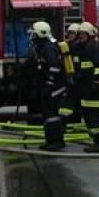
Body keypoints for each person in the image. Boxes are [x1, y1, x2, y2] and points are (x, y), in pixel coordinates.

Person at [27, 21, 67, 151]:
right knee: (48, 116)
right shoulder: (41, 47)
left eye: (33, 33)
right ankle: (51, 140)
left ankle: (56, 141)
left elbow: (54, 67)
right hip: (48, 87)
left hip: (54, 89)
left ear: (39, 33)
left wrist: (49, 84)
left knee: (51, 116)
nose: (31, 35)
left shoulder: (48, 48)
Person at [75, 22, 99, 153]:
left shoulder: (95, 48)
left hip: (95, 90)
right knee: (88, 118)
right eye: (80, 34)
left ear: (89, 34)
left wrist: (96, 82)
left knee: (95, 119)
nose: (81, 36)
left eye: (83, 34)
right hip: (85, 89)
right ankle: (97, 141)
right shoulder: (81, 48)